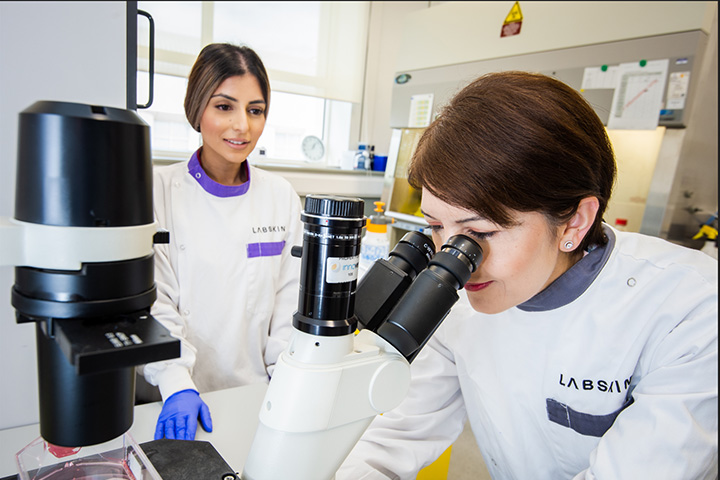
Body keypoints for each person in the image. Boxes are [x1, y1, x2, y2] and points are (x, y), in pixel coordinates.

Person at [337, 71, 718, 479]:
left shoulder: (691, 307)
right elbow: (393, 436)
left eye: (480, 233)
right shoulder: (458, 302)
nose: (455, 261)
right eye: (435, 227)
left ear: (574, 223)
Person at [139, 43, 304, 440]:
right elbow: (153, 300)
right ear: (197, 109)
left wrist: (286, 380)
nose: (242, 127)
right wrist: (176, 381)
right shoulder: (156, 191)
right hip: (171, 395)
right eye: (224, 106)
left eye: (255, 110)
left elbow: (289, 301)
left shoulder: (280, 196)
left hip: (258, 396)